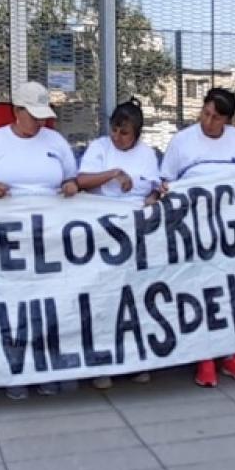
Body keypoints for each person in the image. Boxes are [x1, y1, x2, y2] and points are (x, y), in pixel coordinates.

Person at [0, 81, 80, 399]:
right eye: (34, 115)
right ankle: (16, 368)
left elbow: (70, 177)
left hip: (50, 237)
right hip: (8, 239)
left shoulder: (55, 141)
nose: (40, 122)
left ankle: (45, 366)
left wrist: (71, 187)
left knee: (48, 300)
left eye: (43, 116)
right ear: (17, 111)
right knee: (13, 301)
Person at [160, 87, 235, 388]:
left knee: (234, 290)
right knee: (201, 291)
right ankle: (204, 359)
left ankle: (232, 356)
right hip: (196, 232)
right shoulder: (182, 141)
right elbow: (166, 181)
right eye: (205, 114)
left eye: (216, 118)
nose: (208, 122)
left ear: (228, 121)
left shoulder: (234, 139)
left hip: (232, 234)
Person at [77, 98, 161, 388]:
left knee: (135, 295)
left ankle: (136, 360)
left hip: (136, 233)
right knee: (104, 296)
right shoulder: (99, 148)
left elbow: (153, 190)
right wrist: (113, 173)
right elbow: (82, 180)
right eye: (114, 129)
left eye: (124, 133)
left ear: (137, 134)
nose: (117, 137)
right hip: (102, 231)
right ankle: (103, 364)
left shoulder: (147, 154)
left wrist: (152, 198)